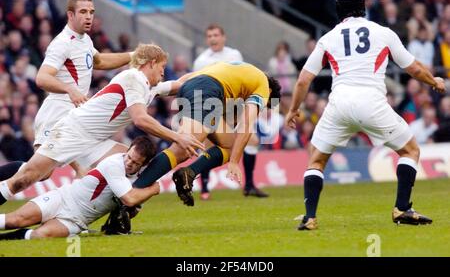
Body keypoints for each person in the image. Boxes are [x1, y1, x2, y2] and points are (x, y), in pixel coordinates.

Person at [285, 0, 446, 230]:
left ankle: (309, 218)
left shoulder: (328, 38)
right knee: (410, 151)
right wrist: (434, 81)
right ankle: (402, 208)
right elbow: (413, 69)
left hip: (339, 104)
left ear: (338, 10)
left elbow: (303, 80)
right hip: (372, 103)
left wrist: (293, 109)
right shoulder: (383, 32)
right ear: (364, 7)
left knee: (316, 161)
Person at [0, 43, 205, 206]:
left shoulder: (149, 86)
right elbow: (140, 119)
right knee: (27, 178)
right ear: (151, 63)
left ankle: (119, 214)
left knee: (134, 165)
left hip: (94, 141)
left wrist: (211, 78)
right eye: (161, 68)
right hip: (73, 131)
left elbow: (179, 85)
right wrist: (178, 137)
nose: (163, 73)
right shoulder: (134, 78)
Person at [0, 0, 134, 182]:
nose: (89, 17)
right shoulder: (62, 43)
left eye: (91, 12)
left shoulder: (85, 40)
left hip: (73, 114)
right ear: (70, 15)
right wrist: (70, 90)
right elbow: (42, 77)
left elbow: (101, 61)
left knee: (39, 173)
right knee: (38, 172)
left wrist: (133, 56)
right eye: (83, 12)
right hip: (56, 112)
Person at [131, 61, 281, 207]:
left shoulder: (234, 68)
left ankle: (189, 173)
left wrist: (156, 90)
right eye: (265, 105)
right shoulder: (263, 86)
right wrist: (235, 162)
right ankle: (129, 198)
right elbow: (246, 124)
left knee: (229, 145)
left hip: (196, 90)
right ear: (270, 93)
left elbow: (187, 79)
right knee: (181, 150)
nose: (261, 107)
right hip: (207, 92)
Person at [0, 136, 160, 240]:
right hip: (62, 199)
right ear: (128, 149)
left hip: (77, 220)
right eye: (128, 156)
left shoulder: (139, 182)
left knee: (40, 236)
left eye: (135, 162)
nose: (129, 162)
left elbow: (131, 208)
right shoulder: (114, 163)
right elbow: (130, 199)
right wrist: (154, 189)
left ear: (143, 164)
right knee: (15, 220)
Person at [193, 24, 268, 199]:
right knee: (208, 145)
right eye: (209, 35)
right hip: (213, 106)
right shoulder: (201, 61)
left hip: (234, 106)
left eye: (216, 35)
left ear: (223, 37)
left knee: (252, 140)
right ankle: (204, 188)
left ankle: (249, 185)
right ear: (207, 39)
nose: (213, 38)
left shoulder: (234, 55)